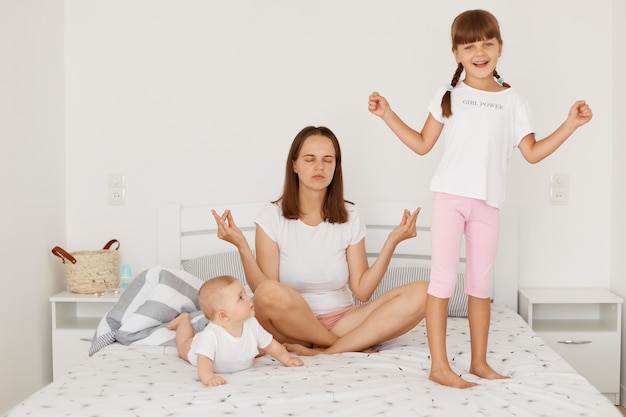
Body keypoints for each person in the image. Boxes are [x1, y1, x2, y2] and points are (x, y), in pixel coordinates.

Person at [368, 9, 593, 388]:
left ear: (500, 48)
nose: (479, 51)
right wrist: (388, 114)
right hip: (450, 200)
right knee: (442, 281)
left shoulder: (513, 101)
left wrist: (570, 125)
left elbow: (533, 152)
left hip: (488, 205)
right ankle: (439, 366)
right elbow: (423, 145)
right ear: (456, 52)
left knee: (479, 285)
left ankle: (478, 362)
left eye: (487, 43)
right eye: (469, 45)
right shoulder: (448, 95)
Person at [211, 125, 428, 356]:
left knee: (425, 292)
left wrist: (392, 242)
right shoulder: (271, 216)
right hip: (290, 327)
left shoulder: (350, 215)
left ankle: (324, 350)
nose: (319, 167)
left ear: (336, 167)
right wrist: (242, 246)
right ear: (294, 165)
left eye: (328, 160)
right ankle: (338, 344)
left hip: (343, 321)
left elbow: (363, 292)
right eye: (309, 159)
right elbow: (264, 291)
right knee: (267, 292)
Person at [168, 275, 303, 386]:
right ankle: (184, 320)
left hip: (236, 354)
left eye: (245, 293)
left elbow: (271, 345)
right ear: (224, 316)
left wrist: (287, 360)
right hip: (197, 348)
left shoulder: (252, 324)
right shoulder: (211, 335)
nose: (248, 298)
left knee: (260, 348)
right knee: (182, 346)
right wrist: (209, 378)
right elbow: (204, 360)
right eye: (240, 298)